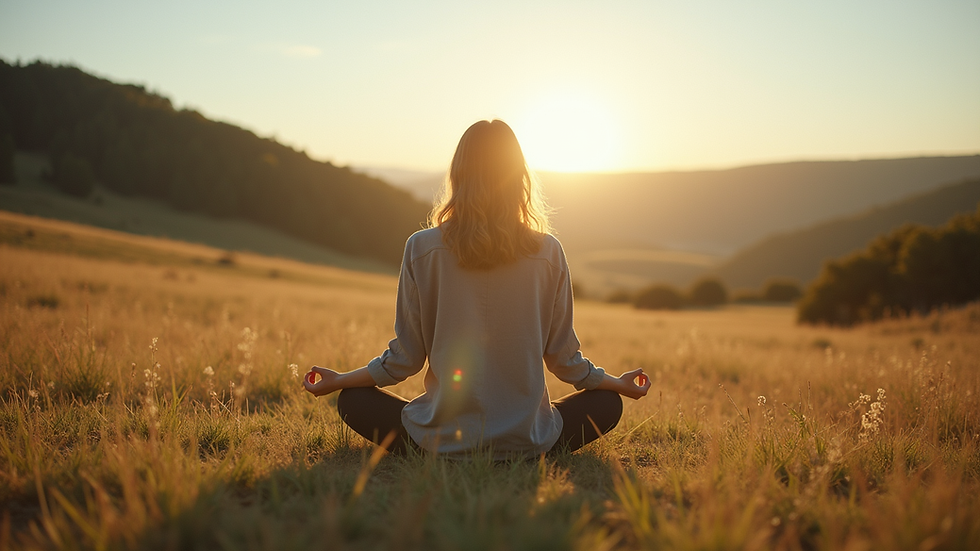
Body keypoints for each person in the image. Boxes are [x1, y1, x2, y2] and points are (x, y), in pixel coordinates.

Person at [303, 119, 650, 458]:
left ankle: (442, 445)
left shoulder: (421, 248)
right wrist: (617, 384)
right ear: (519, 177)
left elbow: (403, 361)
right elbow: (565, 362)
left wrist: (340, 381)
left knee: (353, 399)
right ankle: (521, 444)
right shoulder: (548, 252)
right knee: (607, 404)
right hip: (528, 439)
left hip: (440, 439)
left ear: (457, 174)